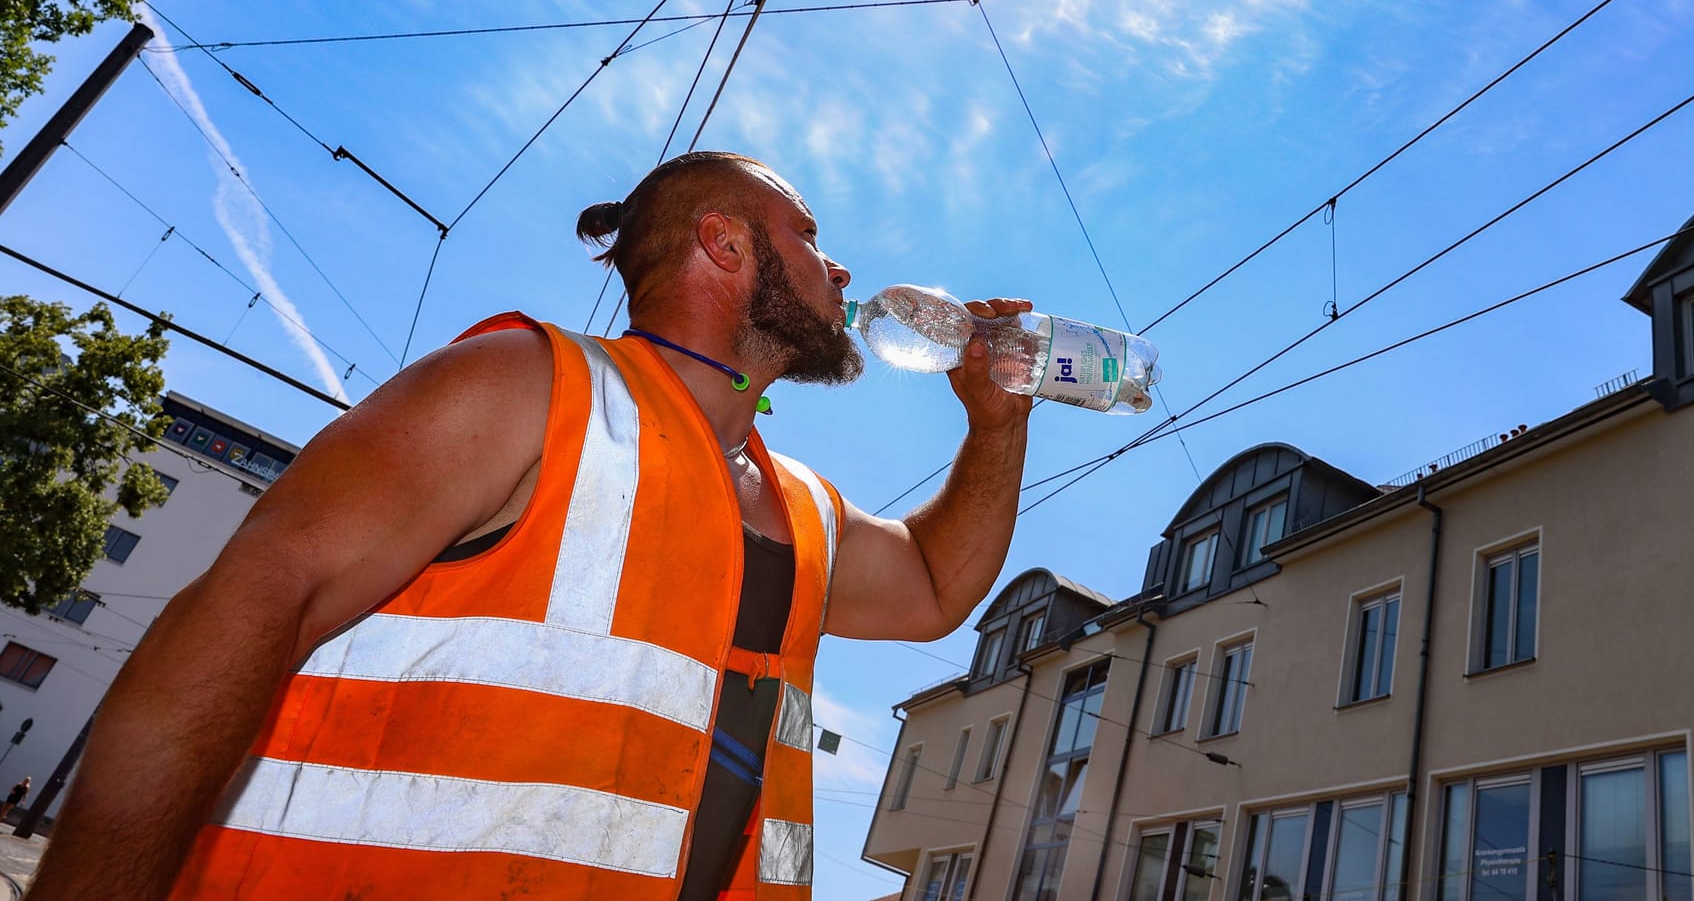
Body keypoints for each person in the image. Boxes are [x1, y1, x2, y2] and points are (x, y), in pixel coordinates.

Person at [28, 152, 1035, 900]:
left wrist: (997, 425)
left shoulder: (803, 506)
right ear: (725, 244)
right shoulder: (525, 388)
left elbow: (939, 585)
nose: (840, 266)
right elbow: (241, 617)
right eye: (807, 233)